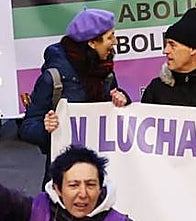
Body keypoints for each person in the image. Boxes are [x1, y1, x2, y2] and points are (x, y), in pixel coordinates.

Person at [19, 9, 127, 156]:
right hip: (65, 168)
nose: (115, 42)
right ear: (92, 43)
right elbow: (27, 127)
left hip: (104, 163)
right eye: (110, 37)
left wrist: (123, 101)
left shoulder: (105, 71)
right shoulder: (54, 77)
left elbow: (115, 111)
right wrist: (46, 128)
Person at [0, 146, 137, 221]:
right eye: (73, 185)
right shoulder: (35, 212)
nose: (83, 194)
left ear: (100, 188)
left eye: (90, 185)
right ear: (58, 189)